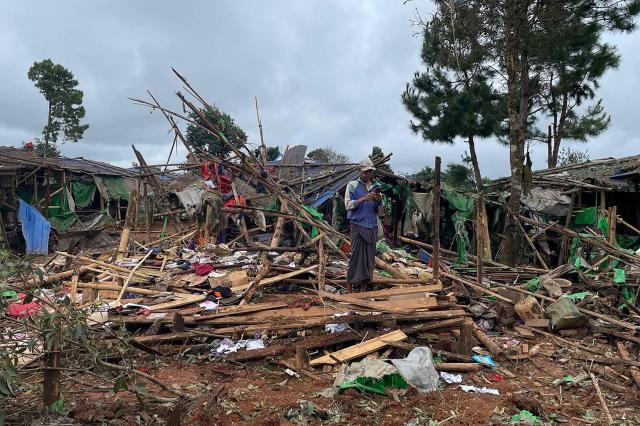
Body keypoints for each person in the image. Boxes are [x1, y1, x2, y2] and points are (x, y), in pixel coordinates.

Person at [344, 158, 382, 293]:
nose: (367, 174)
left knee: (369, 258)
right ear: (359, 171)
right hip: (357, 225)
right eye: (365, 172)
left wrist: (379, 201)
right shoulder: (352, 185)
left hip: (371, 226)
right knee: (355, 256)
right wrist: (364, 198)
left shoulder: (376, 186)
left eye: (370, 172)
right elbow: (348, 205)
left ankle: (363, 289)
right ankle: (349, 288)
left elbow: (380, 210)